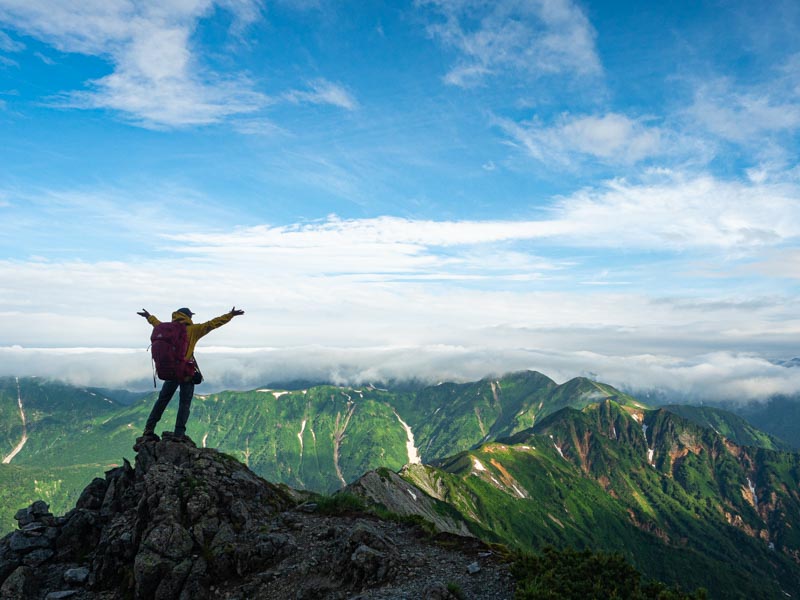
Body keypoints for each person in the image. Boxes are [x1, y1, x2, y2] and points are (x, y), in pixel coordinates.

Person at [137, 306, 244, 441]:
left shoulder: (166, 329)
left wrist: (148, 316)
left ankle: (149, 429)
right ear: (188, 316)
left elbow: (155, 323)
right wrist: (230, 315)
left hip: (170, 371)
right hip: (185, 372)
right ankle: (178, 434)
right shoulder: (194, 330)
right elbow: (213, 324)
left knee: (162, 401)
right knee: (184, 403)